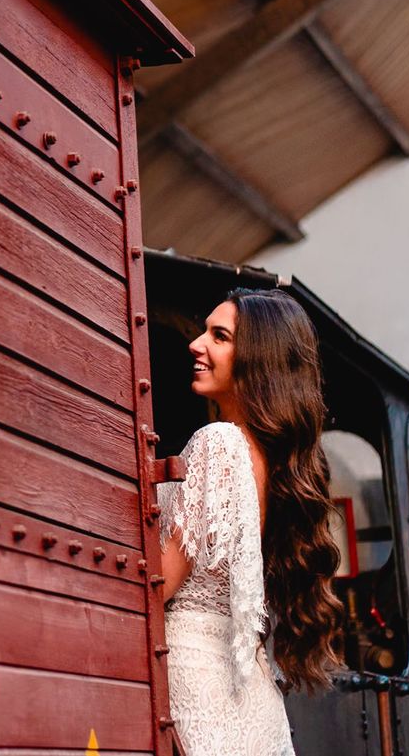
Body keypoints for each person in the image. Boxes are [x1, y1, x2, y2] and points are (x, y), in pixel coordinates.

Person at [157, 288, 345, 756]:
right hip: (248, 697)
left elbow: (160, 584)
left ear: (257, 362)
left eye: (218, 336)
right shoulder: (275, 460)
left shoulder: (218, 443)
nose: (195, 344)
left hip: (196, 681)